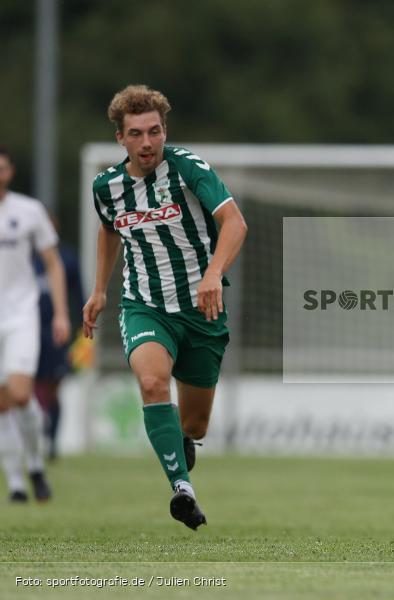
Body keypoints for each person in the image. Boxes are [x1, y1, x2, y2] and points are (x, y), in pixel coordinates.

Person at [83, 85, 247, 529]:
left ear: (164, 131)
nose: (147, 142)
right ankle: (182, 490)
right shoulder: (106, 187)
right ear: (120, 138)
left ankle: (183, 442)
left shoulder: (188, 168)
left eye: (154, 131)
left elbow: (234, 222)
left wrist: (213, 273)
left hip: (201, 310)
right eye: (136, 134)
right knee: (153, 382)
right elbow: (109, 230)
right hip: (145, 306)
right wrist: (100, 290)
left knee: (195, 424)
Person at [0, 145, 70, 503]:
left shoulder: (29, 210)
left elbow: (53, 263)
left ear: (10, 171)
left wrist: (61, 313)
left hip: (20, 315)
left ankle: (36, 465)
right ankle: (16, 483)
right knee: (1, 403)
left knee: (20, 394)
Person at [33, 216, 86, 460]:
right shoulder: (27, 258)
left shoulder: (67, 259)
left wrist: (80, 330)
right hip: (28, 331)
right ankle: (31, 438)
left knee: (53, 388)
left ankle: (52, 441)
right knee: (27, 389)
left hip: (58, 334)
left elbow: (79, 296)